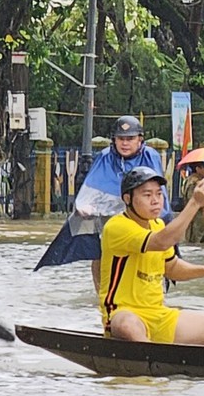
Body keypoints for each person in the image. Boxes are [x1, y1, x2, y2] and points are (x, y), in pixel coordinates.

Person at [99, 166, 204, 346]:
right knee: (127, 325)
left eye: (158, 194)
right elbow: (162, 242)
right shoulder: (116, 227)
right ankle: (151, 365)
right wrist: (194, 203)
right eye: (147, 195)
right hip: (123, 314)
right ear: (128, 199)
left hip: (158, 314)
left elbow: (172, 268)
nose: (155, 201)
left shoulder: (157, 225)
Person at [34, 115, 166, 278]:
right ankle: (102, 295)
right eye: (121, 139)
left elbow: (159, 194)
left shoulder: (150, 156)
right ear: (114, 140)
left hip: (140, 218)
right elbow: (91, 188)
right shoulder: (105, 157)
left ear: (140, 139)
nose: (125, 143)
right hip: (109, 218)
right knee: (99, 251)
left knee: (152, 250)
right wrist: (84, 207)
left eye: (130, 138)